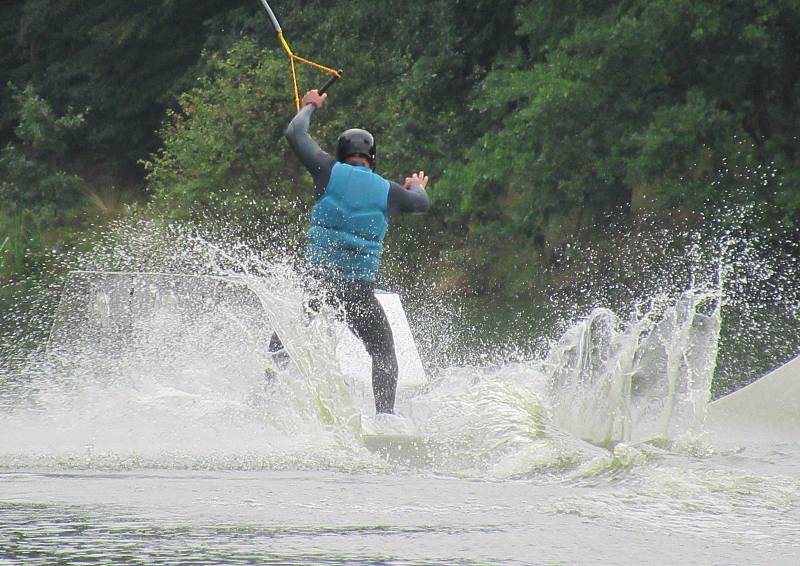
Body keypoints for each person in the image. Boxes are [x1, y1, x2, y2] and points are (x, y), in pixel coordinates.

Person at [269, 89, 430, 415]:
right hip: (357, 291)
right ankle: (384, 417)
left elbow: (295, 132)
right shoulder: (392, 193)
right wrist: (416, 185)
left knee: (283, 341)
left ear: (342, 154)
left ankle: (266, 396)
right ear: (373, 159)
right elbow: (421, 203)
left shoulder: (326, 170)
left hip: (315, 283)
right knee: (383, 353)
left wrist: (310, 105)